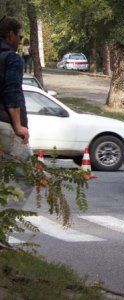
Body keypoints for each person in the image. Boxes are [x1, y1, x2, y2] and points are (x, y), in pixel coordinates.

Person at [0, 16, 32, 210]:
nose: (20, 42)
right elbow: (12, 91)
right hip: (4, 125)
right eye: (19, 36)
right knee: (27, 176)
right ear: (10, 34)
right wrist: (18, 126)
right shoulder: (12, 58)